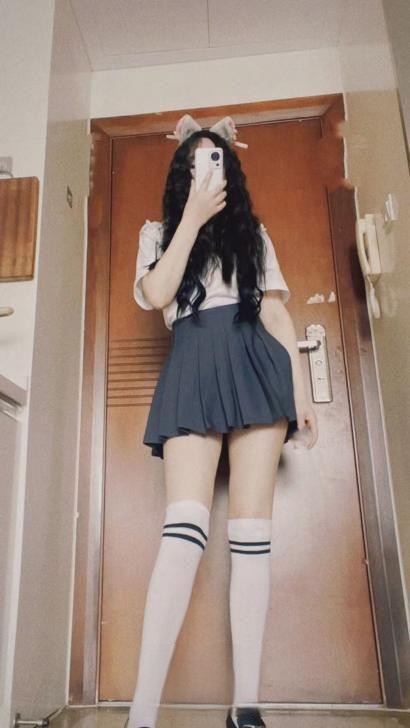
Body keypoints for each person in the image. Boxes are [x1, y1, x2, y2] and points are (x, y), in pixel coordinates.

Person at [126, 115, 318, 728]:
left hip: (255, 362)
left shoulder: (252, 235)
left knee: (252, 534)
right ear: (180, 176)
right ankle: (141, 715)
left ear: (229, 170)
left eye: (214, 160)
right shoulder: (157, 233)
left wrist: (301, 392)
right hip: (194, 359)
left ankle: (246, 708)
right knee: (183, 529)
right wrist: (191, 218)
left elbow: (278, 316)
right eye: (192, 163)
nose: (203, 169)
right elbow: (158, 295)